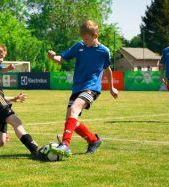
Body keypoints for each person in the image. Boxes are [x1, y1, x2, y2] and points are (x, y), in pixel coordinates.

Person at [47, 20, 118, 157]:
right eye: (83, 39)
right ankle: (93, 140)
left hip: (92, 88)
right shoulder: (79, 46)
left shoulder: (104, 51)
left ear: (95, 35)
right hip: (77, 88)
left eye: (87, 39)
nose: (84, 41)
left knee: (74, 109)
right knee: (71, 119)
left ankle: (65, 145)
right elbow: (62, 58)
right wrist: (53, 57)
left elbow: (107, 69)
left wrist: (111, 88)